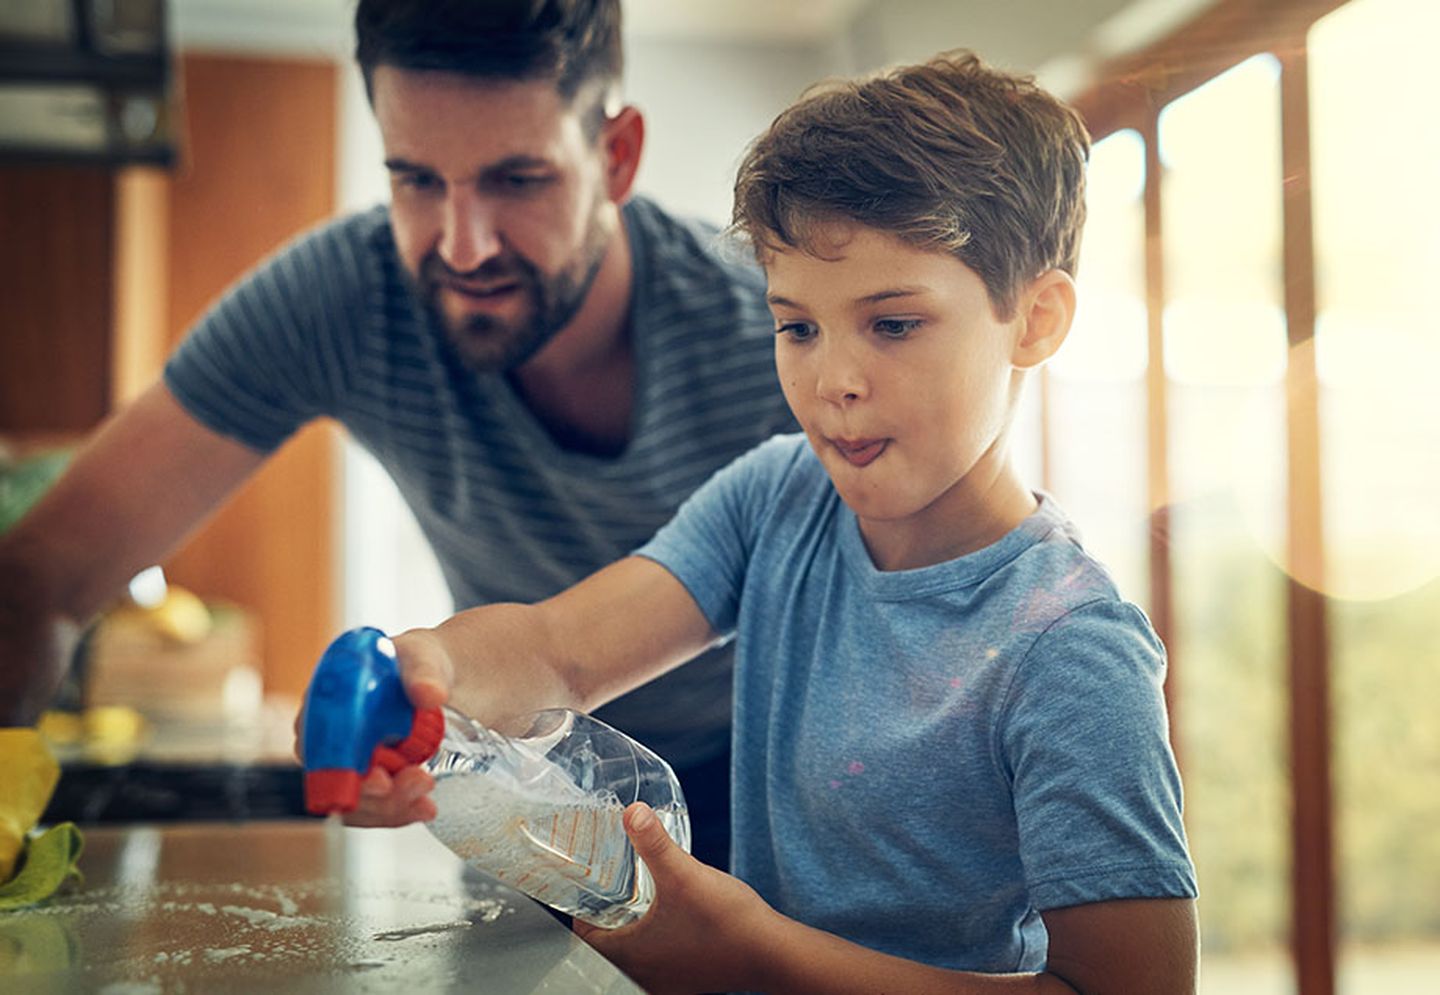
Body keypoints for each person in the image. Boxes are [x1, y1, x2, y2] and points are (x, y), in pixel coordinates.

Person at [340, 50, 1200, 994]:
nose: (833, 381)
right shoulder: (778, 497)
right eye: (798, 326)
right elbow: (559, 650)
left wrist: (753, 951)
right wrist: (436, 675)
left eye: (894, 324)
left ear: (1035, 320)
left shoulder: (1071, 646)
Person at [0, 0, 795, 871]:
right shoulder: (341, 293)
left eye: (516, 180)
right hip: (524, 792)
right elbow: (41, 576)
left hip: (773, 792)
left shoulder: (781, 333)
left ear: (615, 156)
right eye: (417, 179)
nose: (462, 245)